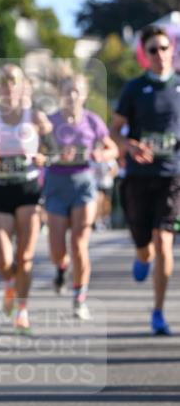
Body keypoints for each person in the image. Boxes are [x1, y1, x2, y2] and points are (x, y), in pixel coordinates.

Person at [112, 25, 180, 336]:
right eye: (153, 49)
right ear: (145, 54)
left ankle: (158, 311)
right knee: (145, 246)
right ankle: (142, 255)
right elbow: (114, 131)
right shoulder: (134, 88)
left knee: (165, 242)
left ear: (172, 50)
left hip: (171, 176)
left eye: (165, 48)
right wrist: (129, 145)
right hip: (138, 178)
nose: (161, 54)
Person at [0, 63, 52, 333]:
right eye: (4, 81)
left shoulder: (34, 116)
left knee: (26, 256)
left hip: (29, 188)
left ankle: (22, 310)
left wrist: (45, 155)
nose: (9, 86)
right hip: (0, 187)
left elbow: (54, 149)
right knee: (2, 259)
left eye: (14, 81)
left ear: (22, 86)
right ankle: (9, 284)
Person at [44, 73, 119, 320]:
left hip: (84, 184)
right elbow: (38, 151)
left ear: (84, 95)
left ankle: (79, 297)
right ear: (60, 95)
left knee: (79, 243)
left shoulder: (93, 121)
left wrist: (102, 156)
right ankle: (61, 269)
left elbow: (112, 148)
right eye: (67, 91)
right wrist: (54, 155)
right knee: (57, 249)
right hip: (56, 183)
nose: (72, 95)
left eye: (76, 91)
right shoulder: (50, 121)